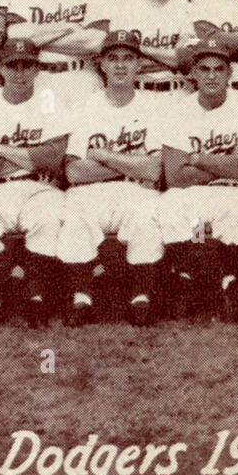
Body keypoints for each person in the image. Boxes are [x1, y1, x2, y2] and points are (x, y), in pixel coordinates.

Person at [56, 30, 167, 325]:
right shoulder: (84, 106)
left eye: (128, 58)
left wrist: (105, 156)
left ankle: (141, 298)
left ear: (139, 65)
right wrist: (133, 161)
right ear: (101, 64)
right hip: (90, 190)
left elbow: (155, 170)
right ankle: (81, 298)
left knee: (147, 218)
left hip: (138, 190)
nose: (120, 65)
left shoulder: (155, 106)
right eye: (113, 58)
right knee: (75, 216)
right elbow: (74, 172)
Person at [0, 39, 70, 328]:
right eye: (13, 65)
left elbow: (56, 158)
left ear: (37, 69)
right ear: (0, 68)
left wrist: (3, 151)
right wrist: (32, 156)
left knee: (51, 216)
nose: (20, 73)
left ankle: (37, 295)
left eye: (28, 65)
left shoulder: (50, 101)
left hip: (41, 186)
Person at [159, 39, 238, 319]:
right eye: (204, 69)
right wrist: (229, 163)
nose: (211, 75)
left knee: (235, 212)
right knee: (175, 207)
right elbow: (174, 176)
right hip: (193, 191)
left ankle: (223, 281)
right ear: (193, 73)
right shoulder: (179, 110)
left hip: (234, 190)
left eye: (219, 69)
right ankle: (197, 280)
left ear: (230, 74)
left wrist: (198, 159)